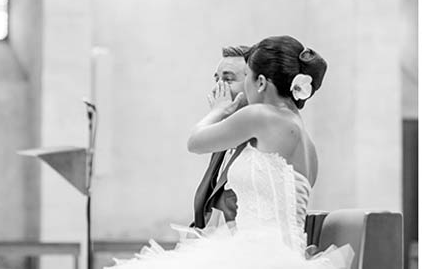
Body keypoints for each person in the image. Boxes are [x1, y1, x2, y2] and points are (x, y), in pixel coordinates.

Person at [108, 36, 353, 269]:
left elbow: (195, 142)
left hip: (258, 255)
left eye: (245, 76)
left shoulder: (261, 115)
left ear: (260, 82)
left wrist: (220, 110)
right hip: (285, 255)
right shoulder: (306, 142)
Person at [191, 45, 251, 230]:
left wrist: (217, 112)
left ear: (256, 84)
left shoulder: (262, 140)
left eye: (228, 79)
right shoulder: (224, 138)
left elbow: (194, 143)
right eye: (216, 79)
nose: (218, 88)